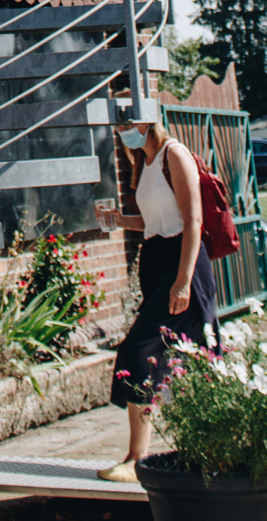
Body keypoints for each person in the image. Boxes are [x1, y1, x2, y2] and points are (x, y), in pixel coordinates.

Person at [94, 118, 221, 482]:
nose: (120, 130)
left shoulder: (174, 154)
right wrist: (120, 220)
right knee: (179, 359)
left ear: (146, 119)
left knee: (139, 352)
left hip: (182, 265)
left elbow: (192, 221)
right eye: (117, 124)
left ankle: (137, 459)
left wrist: (182, 281)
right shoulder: (144, 163)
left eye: (126, 122)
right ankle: (206, 450)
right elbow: (155, 221)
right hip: (157, 262)